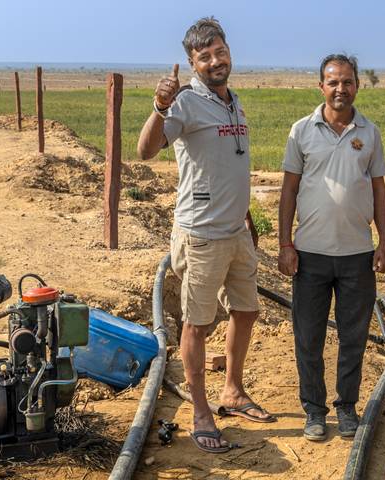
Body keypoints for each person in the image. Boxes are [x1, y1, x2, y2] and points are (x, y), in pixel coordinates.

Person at [137, 17, 275, 454]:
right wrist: (160, 107)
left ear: (228, 51)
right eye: (204, 56)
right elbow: (144, 151)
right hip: (201, 235)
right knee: (198, 323)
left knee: (246, 311)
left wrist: (247, 217)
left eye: (219, 51)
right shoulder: (186, 102)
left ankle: (232, 391)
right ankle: (201, 411)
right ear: (192, 63)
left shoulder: (233, 102)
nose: (215, 61)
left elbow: (227, 166)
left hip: (237, 231)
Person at [278, 54, 385, 442]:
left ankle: (346, 408)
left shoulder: (369, 133)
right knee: (308, 336)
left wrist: (384, 242)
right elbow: (289, 189)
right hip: (310, 255)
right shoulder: (301, 131)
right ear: (321, 86)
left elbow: (378, 189)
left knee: (353, 336)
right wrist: (285, 243)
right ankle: (313, 411)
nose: (340, 88)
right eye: (333, 82)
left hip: (358, 254)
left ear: (357, 85)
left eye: (347, 82)